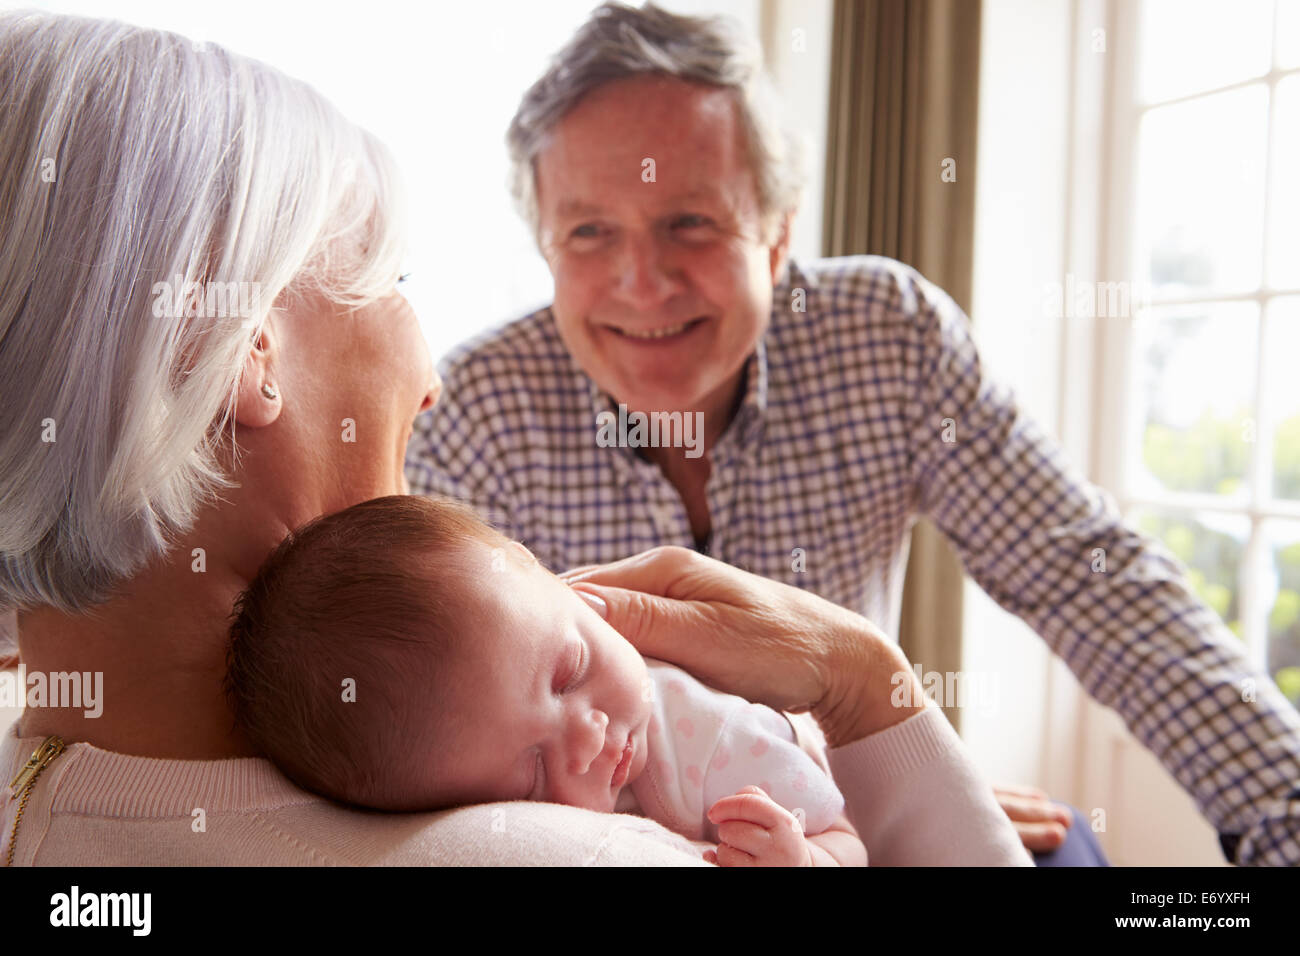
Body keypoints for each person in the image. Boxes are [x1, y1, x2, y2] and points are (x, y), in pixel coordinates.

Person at [0, 10, 1028, 866]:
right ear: (236, 354)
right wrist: (869, 687)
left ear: (776, 228)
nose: (432, 379)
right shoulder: (573, 852)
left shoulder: (49, 796)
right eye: (393, 280)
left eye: (691, 224)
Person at [405, 1, 1300, 866]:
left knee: (1073, 854)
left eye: (691, 223)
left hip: (844, 806)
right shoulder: (474, 408)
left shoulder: (889, 336)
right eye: (590, 232)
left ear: (779, 231)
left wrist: (1284, 813)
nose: (644, 283)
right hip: (607, 837)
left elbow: (1092, 580)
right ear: (546, 248)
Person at [223, 493, 869, 866]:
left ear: (573, 593)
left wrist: (810, 859)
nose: (588, 738)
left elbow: (853, 838)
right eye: (533, 772)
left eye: (570, 673)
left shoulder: (716, 739)